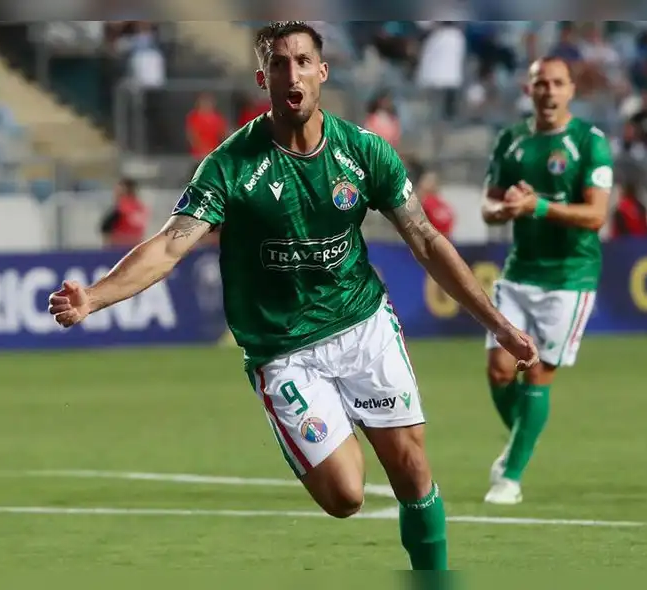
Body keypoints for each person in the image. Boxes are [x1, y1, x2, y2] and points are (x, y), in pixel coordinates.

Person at [47, 21, 538, 571]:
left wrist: (497, 323)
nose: (292, 74)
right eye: (278, 64)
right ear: (264, 79)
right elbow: (169, 245)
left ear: (322, 72)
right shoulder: (231, 165)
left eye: (303, 61)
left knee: (411, 470)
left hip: (363, 327)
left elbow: (425, 238)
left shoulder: (364, 152)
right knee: (346, 496)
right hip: (283, 350)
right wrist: (94, 297)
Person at [479, 57, 613, 505]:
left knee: (535, 371)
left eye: (557, 83)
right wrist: (505, 209)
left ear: (571, 90)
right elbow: (487, 206)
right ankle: (521, 442)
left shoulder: (589, 142)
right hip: (520, 272)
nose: (549, 91)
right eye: (541, 83)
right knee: (500, 370)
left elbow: (596, 215)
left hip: (569, 278)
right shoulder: (511, 140)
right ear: (528, 89)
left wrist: (536, 207)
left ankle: (510, 478)